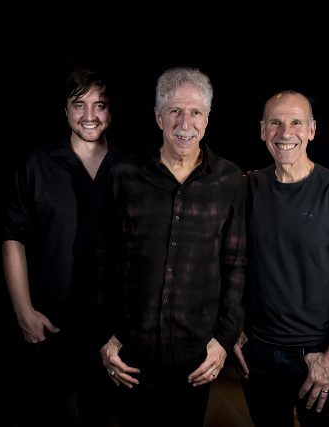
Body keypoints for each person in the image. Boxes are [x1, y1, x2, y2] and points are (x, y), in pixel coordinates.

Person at [97, 67, 246, 427]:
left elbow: (236, 266)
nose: (185, 123)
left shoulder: (229, 179)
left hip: (195, 355)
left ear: (207, 119)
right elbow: (100, 259)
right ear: (158, 116)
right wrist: (103, 337)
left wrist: (224, 340)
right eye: (175, 111)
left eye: (195, 112)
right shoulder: (123, 176)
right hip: (131, 351)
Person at [233, 91, 329, 426]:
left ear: (311, 130)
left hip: (316, 355)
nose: (285, 133)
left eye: (296, 122)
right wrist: (231, 329)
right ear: (262, 130)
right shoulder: (248, 187)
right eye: (275, 123)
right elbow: (229, 264)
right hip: (258, 354)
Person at [2, 66, 120, 426]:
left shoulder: (130, 168)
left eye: (99, 105)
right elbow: (13, 237)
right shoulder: (36, 164)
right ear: (65, 110)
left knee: (100, 417)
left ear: (110, 112)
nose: (89, 115)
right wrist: (23, 311)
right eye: (79, 104)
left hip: (109, 326)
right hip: (48, 321)